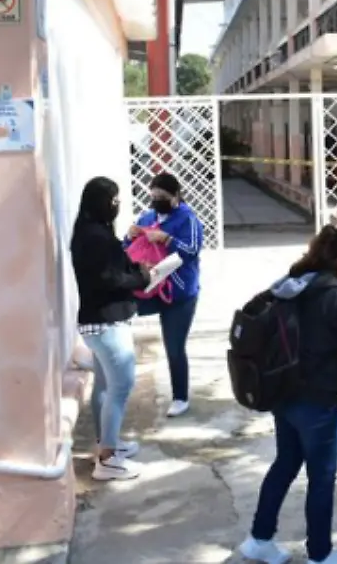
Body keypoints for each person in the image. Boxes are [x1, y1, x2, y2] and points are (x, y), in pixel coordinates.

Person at [240, 226, 337, 564]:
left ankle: (259, 538)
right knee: (322, 478)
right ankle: (320, 555)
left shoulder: (292, 283)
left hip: (283, 392)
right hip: (318, 401)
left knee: (285, 464)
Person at [71, 177, 152, 481]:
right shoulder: (94, 236)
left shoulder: (94, 231)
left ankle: (107, 443)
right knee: (121, 386)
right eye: (112, 200)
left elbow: (114, 268)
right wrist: (141, 280)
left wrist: (137, 270)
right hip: (105, 324)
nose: (116, 205)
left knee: (105, 387)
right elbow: (108, 279)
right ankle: (107, 460)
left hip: (101, 322)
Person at [127, 172, 204, 418]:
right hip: (149, 287)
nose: (157, 200)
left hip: (179, 293)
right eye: (154, 196)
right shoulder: (147, 217)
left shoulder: (188, 220)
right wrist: (129, 238)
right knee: (119, 315)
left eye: (163, 196)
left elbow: (191, 251)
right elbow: (129, 250)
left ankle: (180, 397)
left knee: (174, 346)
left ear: (176, 196)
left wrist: (167, 239)